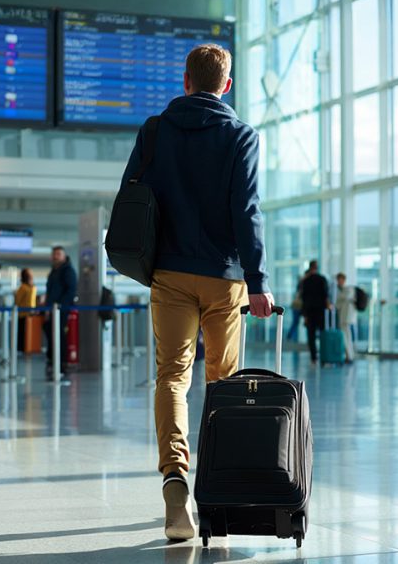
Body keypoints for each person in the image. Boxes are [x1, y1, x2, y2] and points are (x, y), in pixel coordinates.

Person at [118, 43, 273, 541]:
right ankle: (219, 489)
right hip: (225, 276)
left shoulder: (155, 130)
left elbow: (132, 197)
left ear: (185, 81)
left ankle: (174, 480)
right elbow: (247, 211)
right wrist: (258, 283)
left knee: (172, 378)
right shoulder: (241, 135)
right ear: (226, 85)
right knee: (224, 383)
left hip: (169, 273)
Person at [40, 246, 77, 382]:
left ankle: (61, 363)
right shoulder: (54, 271)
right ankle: (52, 360)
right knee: (51, 333)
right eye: (54, 254)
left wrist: (61, 306)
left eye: (59, 254)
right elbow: (50, 291)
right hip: (52, 309)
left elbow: (71, 290)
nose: (56, 256)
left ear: (64, 255)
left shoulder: (68, 270)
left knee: (59, 336)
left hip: (60, 309)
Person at [300, 260, 331, 366]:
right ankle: (324, 358)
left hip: (309, 312)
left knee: (311, 336)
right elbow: (326, 295)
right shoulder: (322, 279)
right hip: (321, 311)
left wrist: (304, 315)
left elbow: (303, 298)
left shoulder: (305, 281)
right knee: (323, 335)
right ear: (317, 268)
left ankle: (313, 359)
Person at [334, 273, 357, 362]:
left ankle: (349, 356)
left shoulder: (347, 290)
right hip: (346, 317)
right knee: (348, 336)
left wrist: (338, 301)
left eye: (339, 280)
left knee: (346, 336)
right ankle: (350, 355)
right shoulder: (346, 290)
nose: (338, 282)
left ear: (343, 279)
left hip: (345, 317)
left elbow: (338, 304)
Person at [14, 268, 37, 353]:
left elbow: (19, 300)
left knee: (25, 333)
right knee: (24, 334)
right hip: (26, 313)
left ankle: (26, 349)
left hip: (27, 313)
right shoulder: (27, 287)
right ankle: (24, 349)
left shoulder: (27, 287)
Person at [286, 267, 309, 342]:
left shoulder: (303, 283)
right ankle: (290, 337)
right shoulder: (303, 284)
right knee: (296, 322)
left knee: (299, 322)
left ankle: (290, 337)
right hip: (298, 306)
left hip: (301, 306)